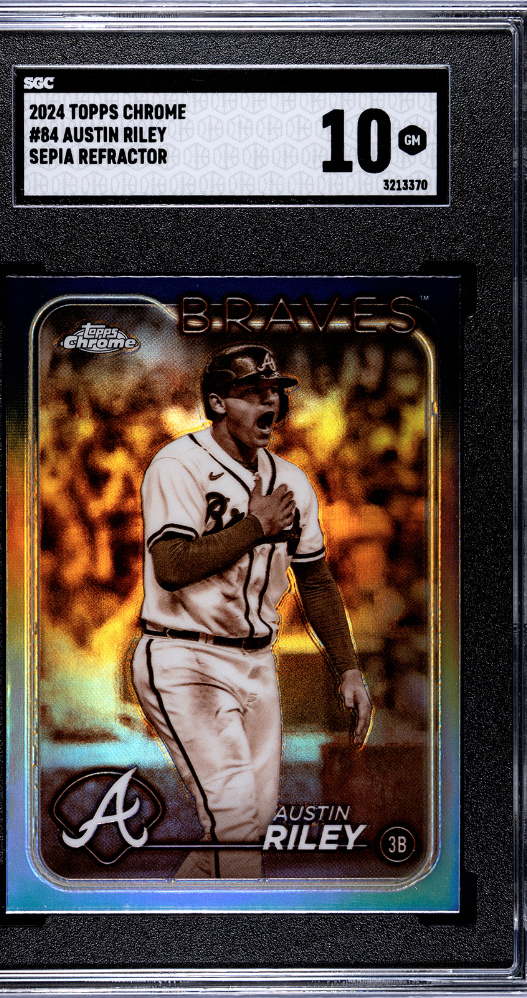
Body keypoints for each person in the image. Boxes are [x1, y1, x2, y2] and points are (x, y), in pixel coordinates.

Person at [131, 343, 372, 879]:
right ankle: (242, 928)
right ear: (218, 403)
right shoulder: (178, 465)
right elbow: (171, 565)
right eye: (252, 392)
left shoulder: (292, 482)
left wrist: (349, 668)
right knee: (236, 819)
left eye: (274, 392)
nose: (269, 401)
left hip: (257, 663)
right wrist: (255, 526)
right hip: (184, 656)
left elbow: (315, 579)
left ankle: (173, 918)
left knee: (248, 826)